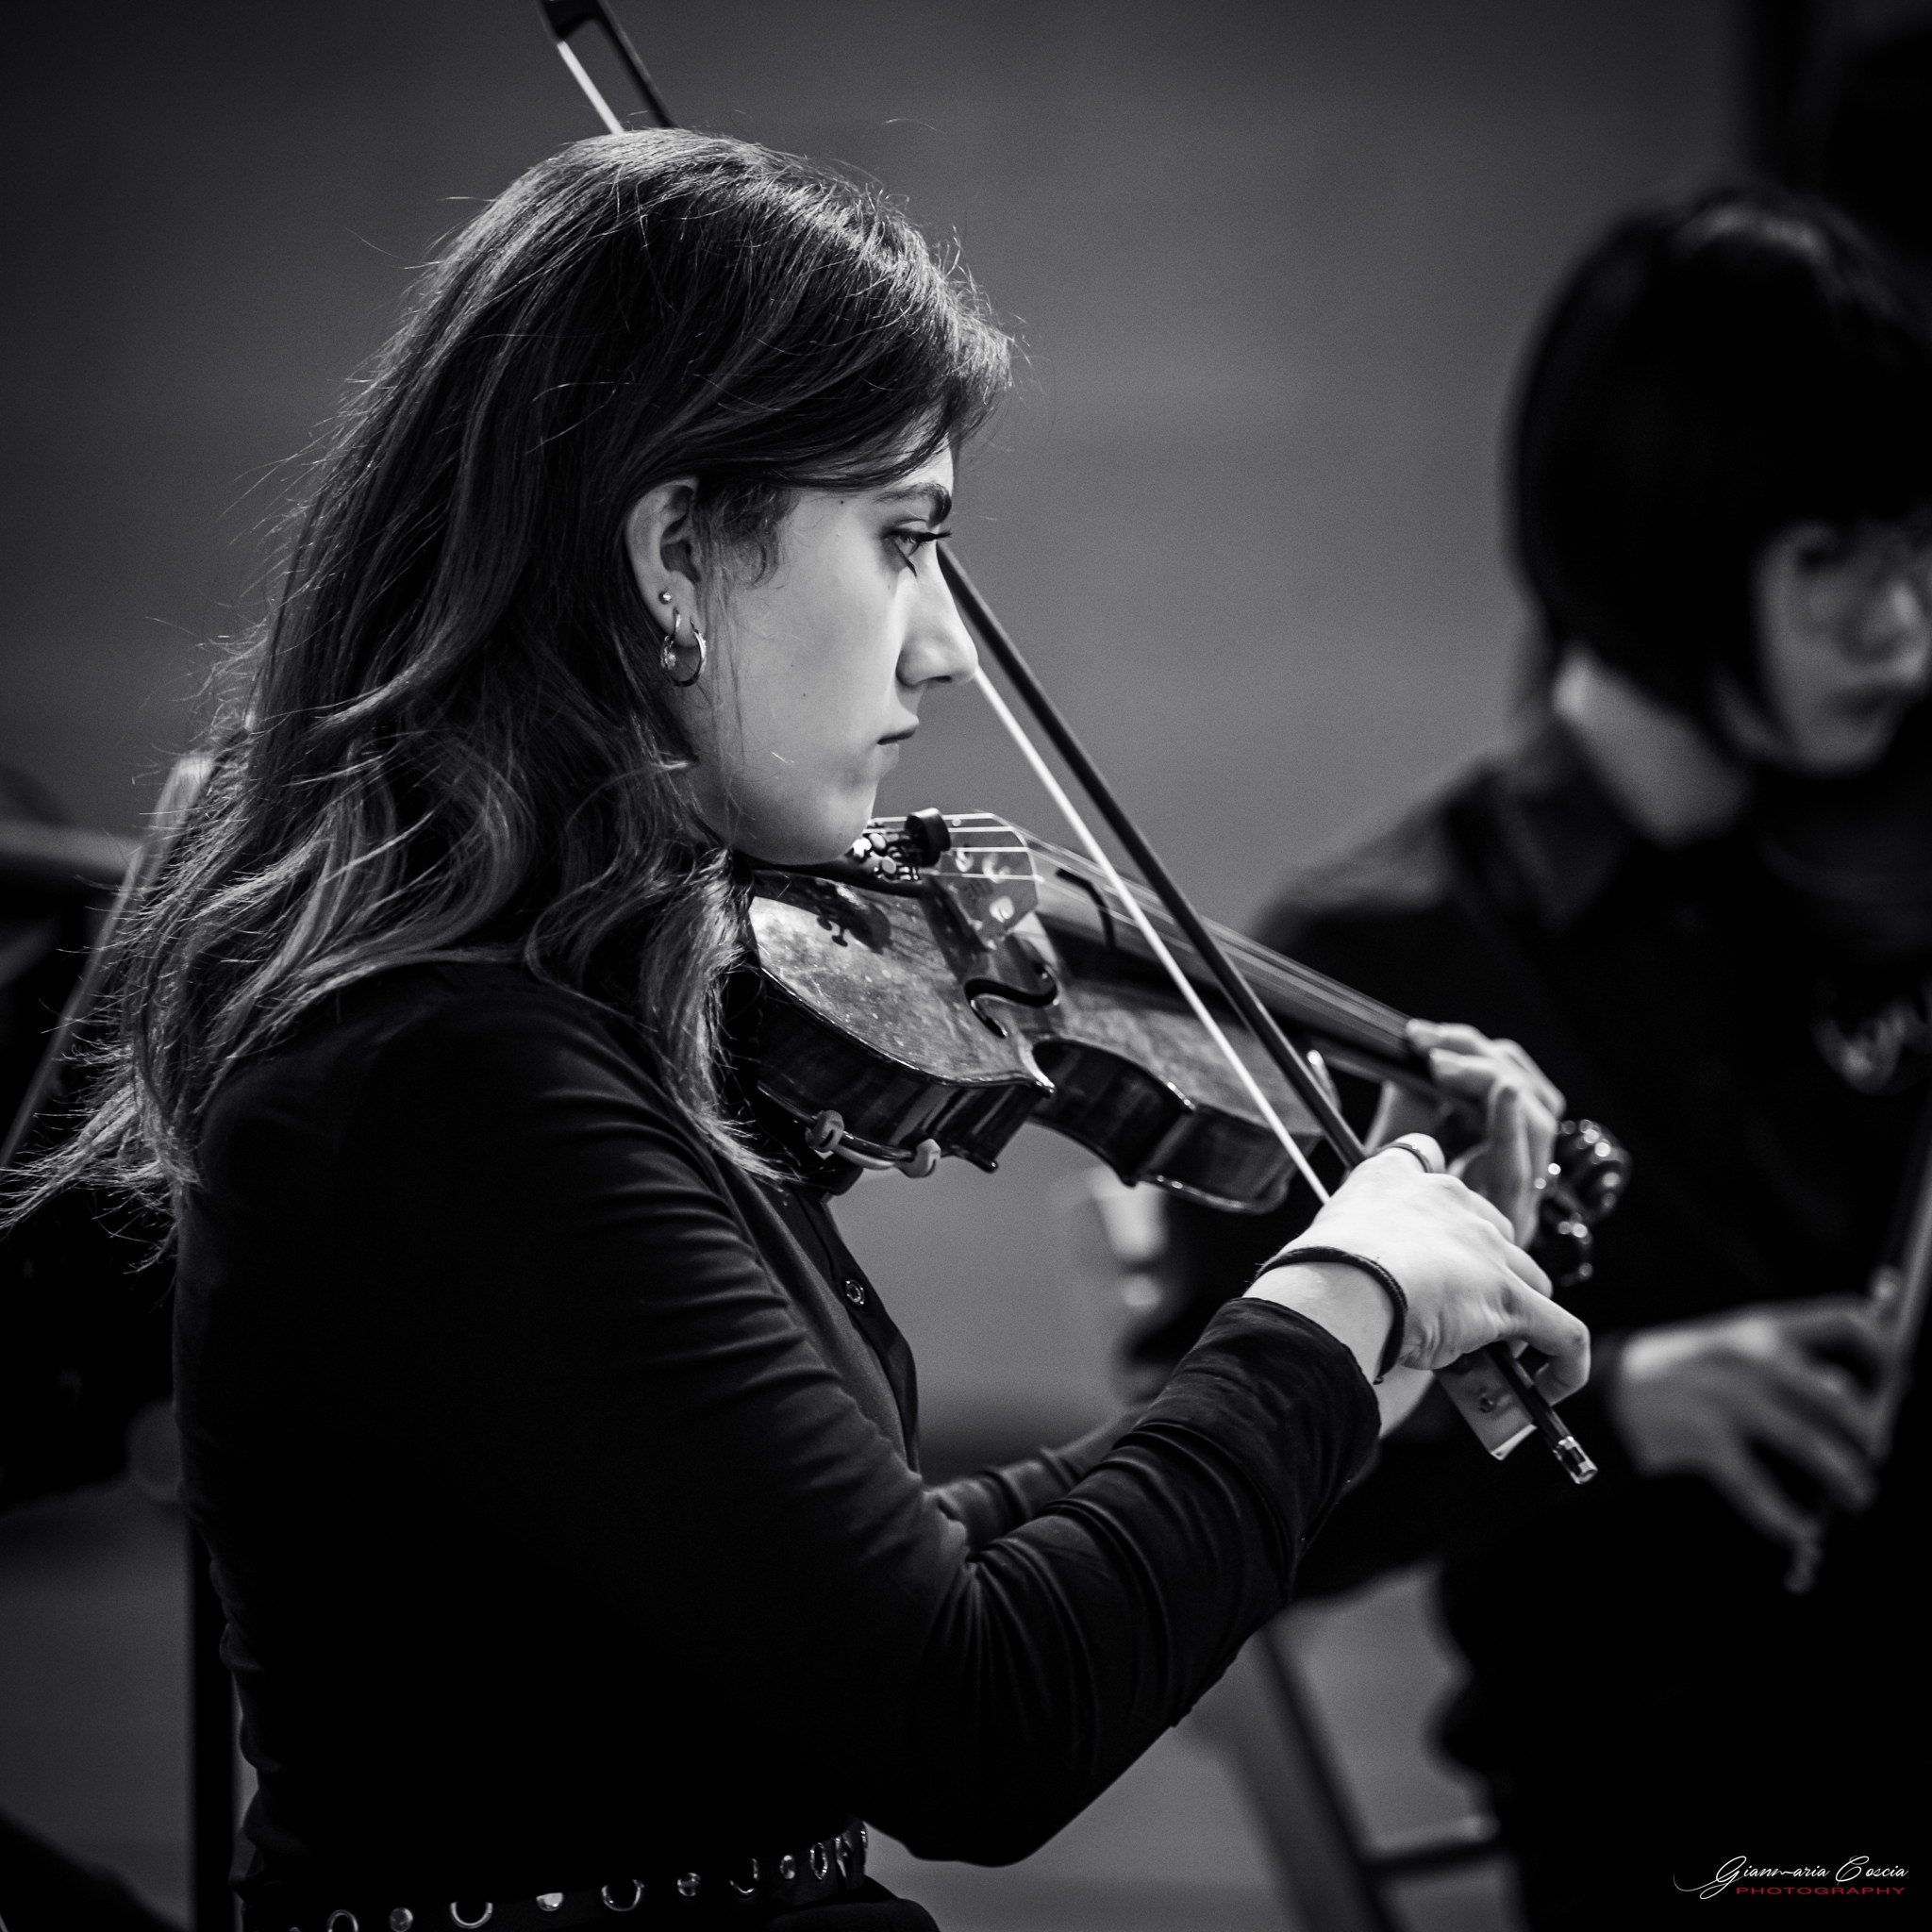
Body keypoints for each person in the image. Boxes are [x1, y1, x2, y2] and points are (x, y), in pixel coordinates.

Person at [3, 131, 1591, 1932]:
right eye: (904, 539)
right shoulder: (453, 1080)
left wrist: (1352, 1367)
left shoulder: (542, 1035)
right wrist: (1331, 1310)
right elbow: (967, 1719)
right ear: (675, 554)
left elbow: (866, 1587)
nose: (947, 651)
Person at [1141, 185, 1932, 1924]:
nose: (1904, 630)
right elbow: (1246, 1496)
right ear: (1658, 557)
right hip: (1686, 1797)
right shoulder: (1389, 961)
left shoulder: (1883, 868)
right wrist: (1624, 1398)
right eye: (1832, 563)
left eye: (1916, 544)